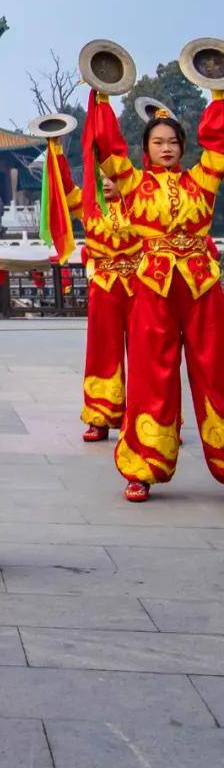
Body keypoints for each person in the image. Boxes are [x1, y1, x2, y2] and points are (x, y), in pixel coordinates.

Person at [85, 94, 224, 502]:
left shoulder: (203, 179)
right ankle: (143, 467)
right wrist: (102, 99)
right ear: (145, 149)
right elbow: (108, 149)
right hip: (154, 290)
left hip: (201, 290)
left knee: (215, 373)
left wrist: (217, 94)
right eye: (158, 142)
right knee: (151, 376)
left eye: (173, 142)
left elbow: (217, 143)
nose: (166, 148)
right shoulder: (133, 183)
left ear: (183, 147)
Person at [49, 143, 138, 441]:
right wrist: (57, 149)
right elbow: (64, 187)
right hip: (104, 286)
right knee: (102, 352)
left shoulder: (142, 204)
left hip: (141, 286)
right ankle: (100, 415)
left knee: (145, 355)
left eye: (113, 177)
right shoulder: (89, 208)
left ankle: (155, 417)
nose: (109, 183)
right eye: (102, 179)